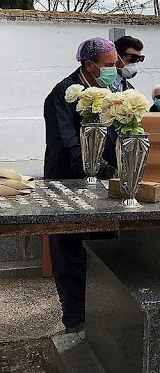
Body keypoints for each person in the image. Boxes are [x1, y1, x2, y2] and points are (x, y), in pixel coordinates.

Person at [44, 37, 121, 333]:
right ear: (90, 66)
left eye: (116, 64)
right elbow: (68, 146)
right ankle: (75, 321)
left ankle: (105, 322)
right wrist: (106, 170)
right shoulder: (62, 94)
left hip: (104, 188)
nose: (114, 70)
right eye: (109, 65)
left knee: (103, 254)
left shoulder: (110, 91)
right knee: (71, 256)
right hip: (68, 188)